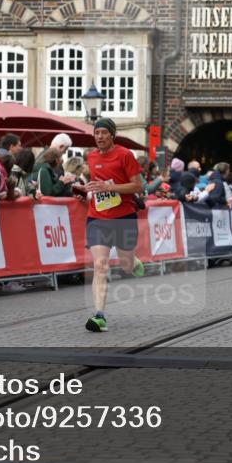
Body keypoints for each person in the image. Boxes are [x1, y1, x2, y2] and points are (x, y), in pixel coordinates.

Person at [81, 117, 145, 333]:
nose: (99, 137)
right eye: (96, 133)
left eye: (103, 133)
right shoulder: (90, 157)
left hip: (124, 217)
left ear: (112, 135)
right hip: (97, 217)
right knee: (100, 266)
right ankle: (99, 316)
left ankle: (132, 261)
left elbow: (138, 186)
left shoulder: (125, 155)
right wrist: (88, 190)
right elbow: (98, 186)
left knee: (126, 266)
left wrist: (111, 188)